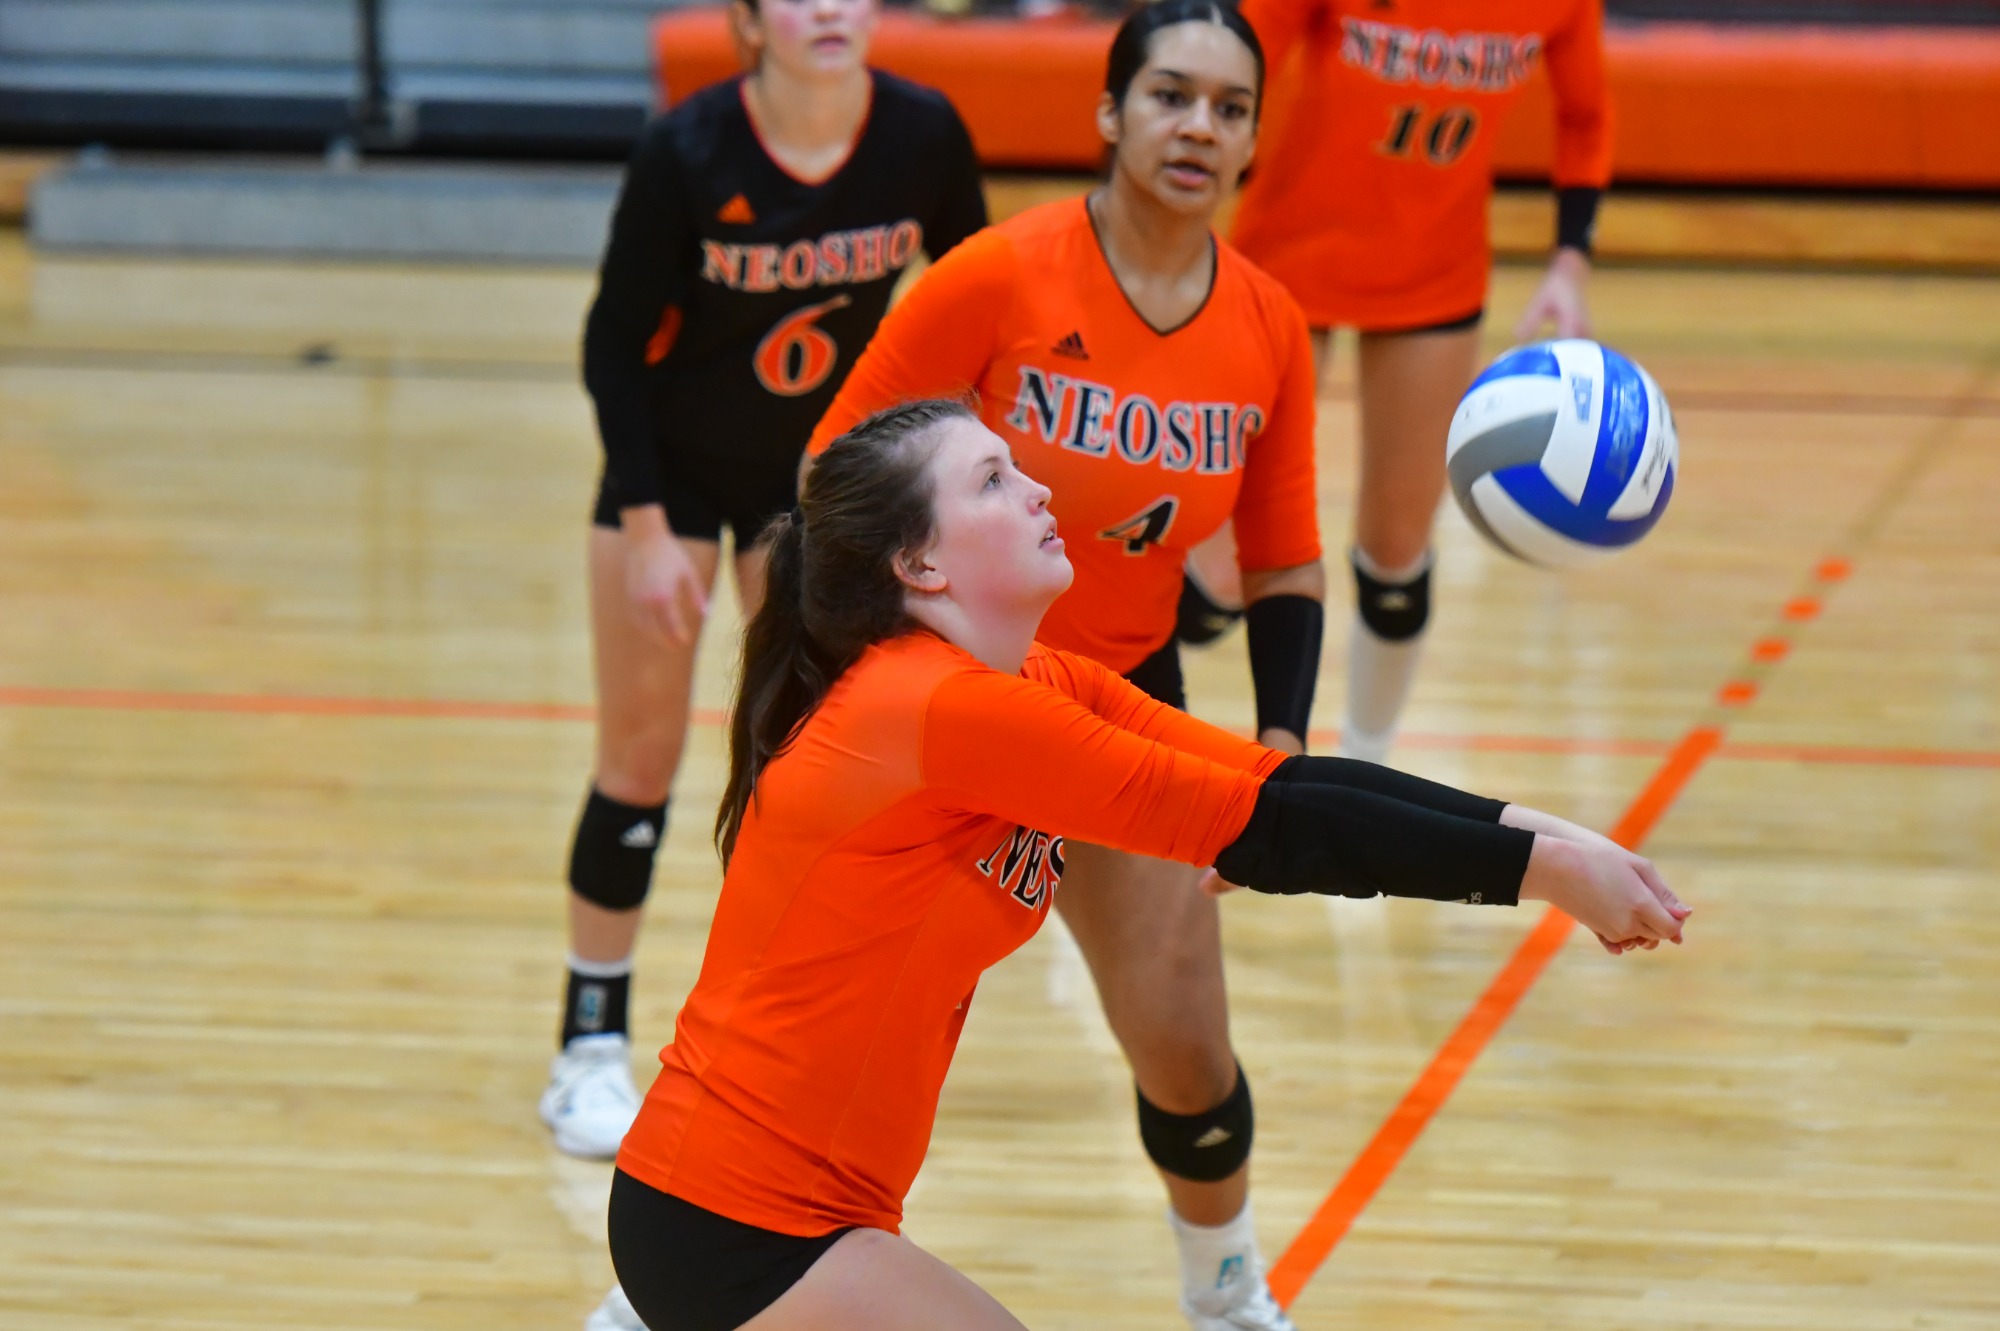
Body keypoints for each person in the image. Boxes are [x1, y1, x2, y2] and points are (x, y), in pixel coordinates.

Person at [607, 398, 1690, 1331]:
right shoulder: (931, 708)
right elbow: (1265, 830)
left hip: (797, 1207)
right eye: (993, 478)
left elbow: (1282, 786)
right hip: (736, 1216)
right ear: (919, 561)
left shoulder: (1033, 682)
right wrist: (1538, 872)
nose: (1038, 489)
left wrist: (1558, 841)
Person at [805, 4, 1323, 1324]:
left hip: (1125, 697)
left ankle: (1225, 1294)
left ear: (1256, 134)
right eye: (1168, 95)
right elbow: (837, 464)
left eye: (1228, 105)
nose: (1198, 126)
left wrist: (1283, 736)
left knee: (1188, 1047)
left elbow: (1282, 556)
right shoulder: (999, 274)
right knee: (847, 1042)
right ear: (1109, 113)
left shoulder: (1267, 325)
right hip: (951, 706)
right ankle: (676, 1285)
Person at [549, 0, 987, 1179]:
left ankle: (757, 1050)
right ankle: (588, 1038)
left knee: (794, 776)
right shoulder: (685, 149)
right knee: (637, 759)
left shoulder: (923, 135)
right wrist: (646, 528)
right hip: (674, 482)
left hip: (818, 498)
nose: (829, 8)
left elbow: (973, 300)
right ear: (747, 20)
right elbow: (610, 344)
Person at [1179, 0, 1614, 764]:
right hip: (1283, 269)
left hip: (1432, 285)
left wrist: (1570, 260)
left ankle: (1364, 773)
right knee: (1213, 577)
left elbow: (1585, 115)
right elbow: (1231, 61)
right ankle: (1111, 750)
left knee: (1395, 559)